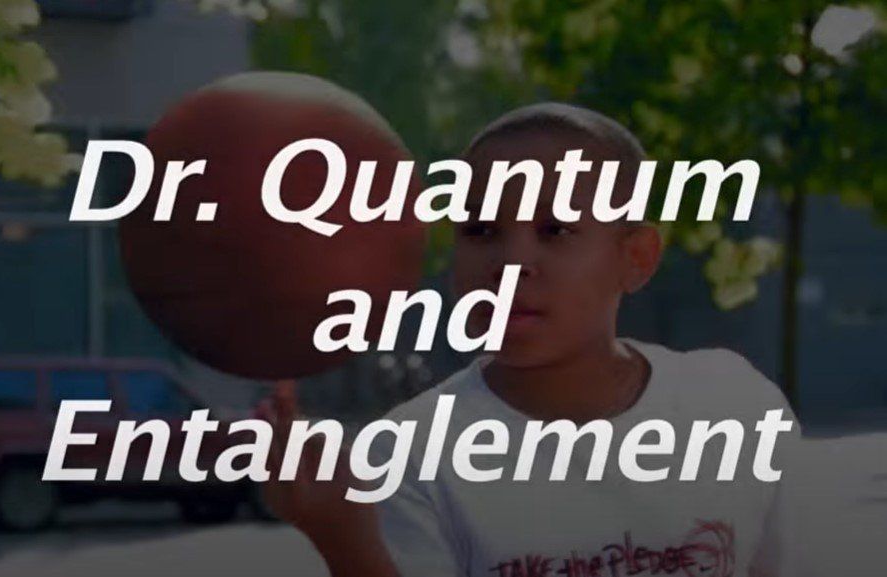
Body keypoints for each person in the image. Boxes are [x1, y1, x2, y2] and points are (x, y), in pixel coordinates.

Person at [254, 103, 798, 577]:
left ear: (636, 258)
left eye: (555, 230)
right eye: (481, 231)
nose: (511, 264)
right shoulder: (404, 456)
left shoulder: (734, 403)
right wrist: (343, 541)